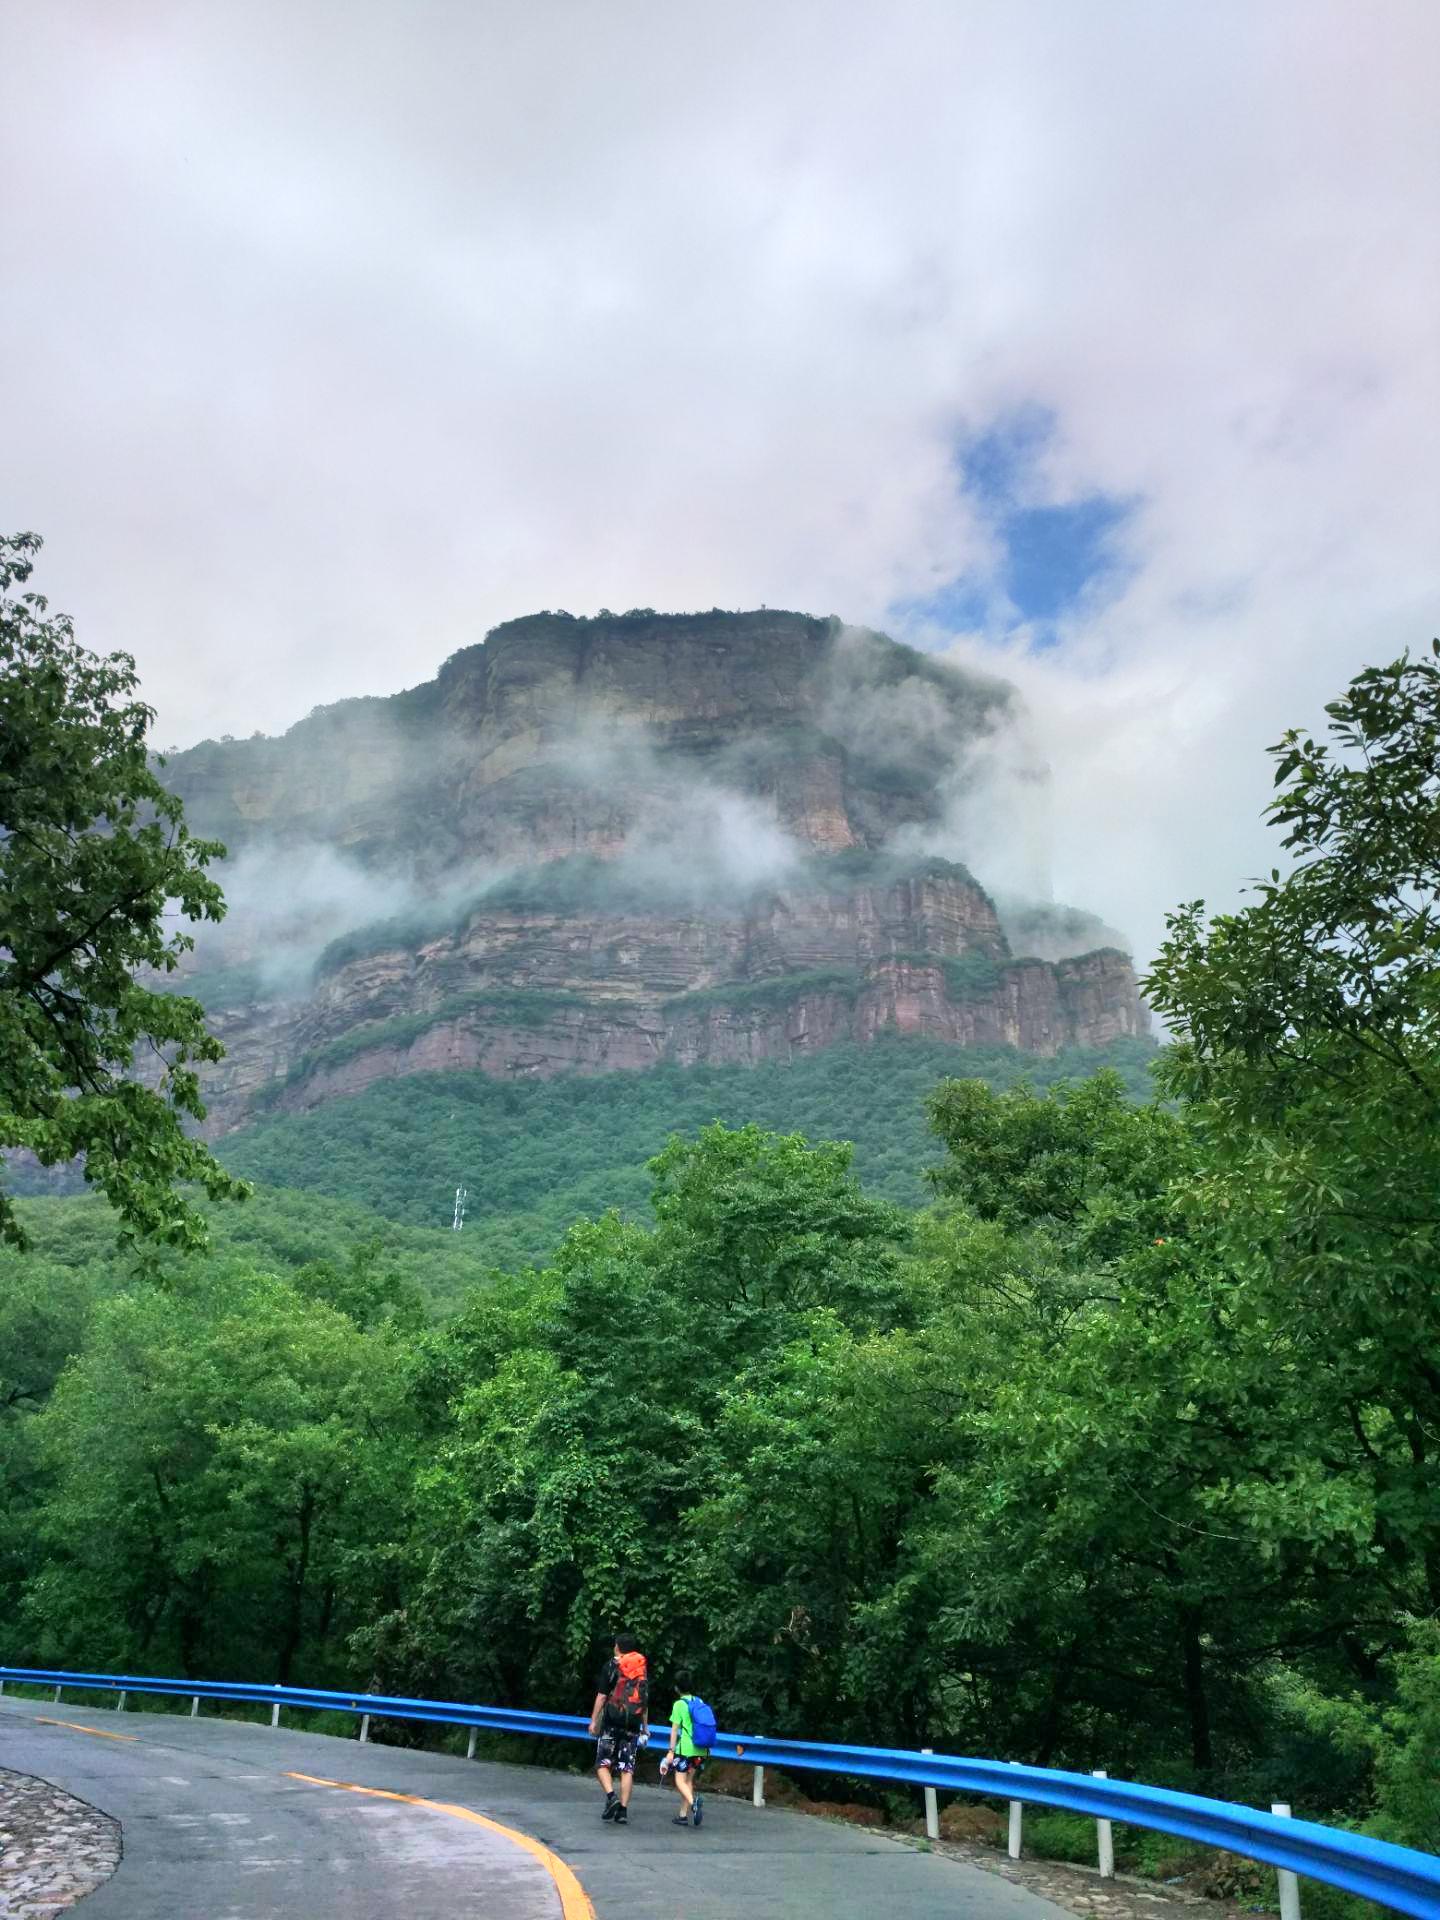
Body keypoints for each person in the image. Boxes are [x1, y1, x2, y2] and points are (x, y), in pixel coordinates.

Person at [588, 1632, 649, 1825]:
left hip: (612, 1722)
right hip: (632, 1724)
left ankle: (611, 1796)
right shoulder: (641, 1670)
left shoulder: (611, 1666)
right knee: (627, 1767)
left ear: (617, 1647)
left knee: (602, 1764)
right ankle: (623, 1811)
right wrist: (645, 1727)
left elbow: (602, 1696)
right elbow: (643, 1701)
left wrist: (593, 1720)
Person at [659, 1680, 712, 1828]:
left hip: (686, 1750)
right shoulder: (699, 1701)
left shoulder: (679, 1704)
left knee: (679, 1781)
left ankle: (693, 1803)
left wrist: (671, 1751)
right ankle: (683, 1815)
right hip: (701, 1748)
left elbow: (675, 1730)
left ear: (677, 1688)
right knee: (688, 1781)